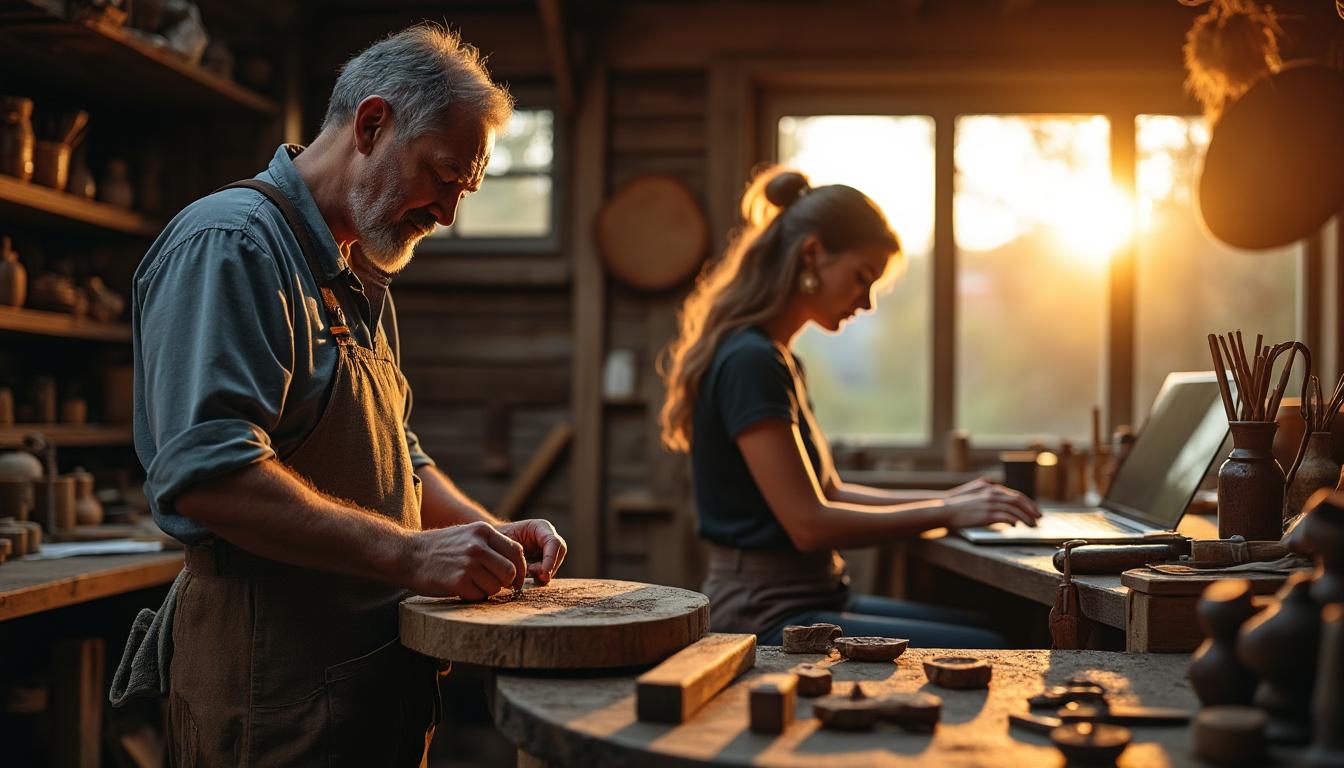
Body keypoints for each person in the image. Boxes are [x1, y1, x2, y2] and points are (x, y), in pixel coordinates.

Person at [109, 24, 567, 766]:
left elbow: (399, 459)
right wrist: (414, 556)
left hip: (362, 685)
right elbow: (208, 478)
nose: (448, 213)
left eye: (466, 190)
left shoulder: (355, 275)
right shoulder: (233, 245)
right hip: (273, 693)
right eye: (444, 174)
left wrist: (488, 534)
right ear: (372, 123)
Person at [658, 166, 1039, 646]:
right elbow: (809, 524)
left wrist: (953, 501)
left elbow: (829, 492)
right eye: (862, 277)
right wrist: (946, 511)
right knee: (998, 646)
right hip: (766, 613)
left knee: (993, 631)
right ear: (813, 254)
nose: (867, 302)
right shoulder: (751, 362)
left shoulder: (775, 358)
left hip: (813, 599)